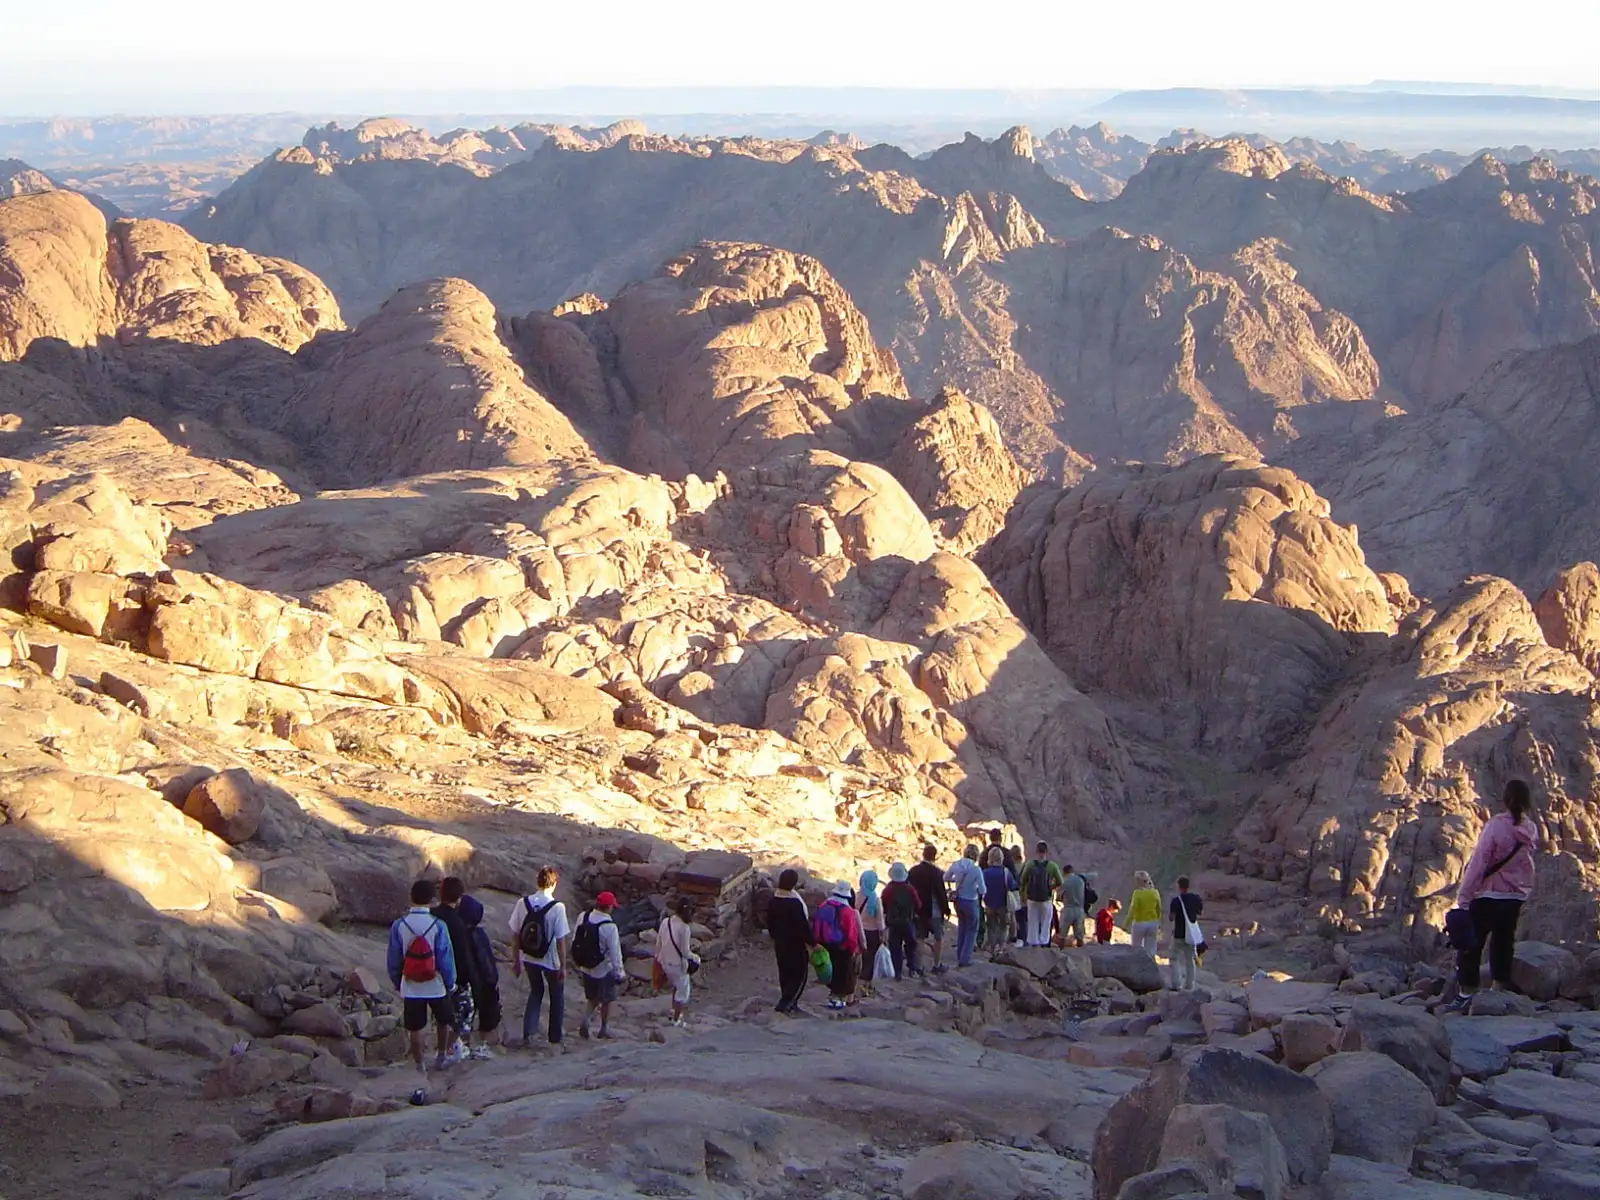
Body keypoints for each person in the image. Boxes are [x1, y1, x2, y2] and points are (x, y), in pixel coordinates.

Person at [1449, 780, 1539, 1011]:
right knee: (1504, 941)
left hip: (1488, 894)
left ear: (1505, 799)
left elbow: (1479, 862)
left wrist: (1464, 897)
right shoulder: (1530, 828)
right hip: (1514, 896)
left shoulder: (1496, 826)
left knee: (1472, 944)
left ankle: (1467, 992)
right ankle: (1500, 986)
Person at [387, 879, 458, 1083]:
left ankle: (420, 1066)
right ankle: (441, 1056)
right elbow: (445, 958)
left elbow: (394, 957)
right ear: (432, 899)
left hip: (410, 983)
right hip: (435, 983)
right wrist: (450, 982)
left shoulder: (399, 925)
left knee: (415, 1028)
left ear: (411, 897)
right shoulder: (438, 925)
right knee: (443, 1021)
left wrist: (397, 980)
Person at [508, 865, 570, 1046]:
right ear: (554, 884)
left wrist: (516, 960)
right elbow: (560, 940)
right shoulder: (558, 908)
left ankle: (529, 1033)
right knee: (556, 995)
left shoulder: (523, 903)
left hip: (529, 956)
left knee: (536, 991)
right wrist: (563, 966)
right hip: (550, 958)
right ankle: (555, 1037)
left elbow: (515, 934)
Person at [430, 876, 479, 1063]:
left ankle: (444, 1049)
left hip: (429, 973)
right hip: (454, 976)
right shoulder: (457, 922)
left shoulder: (432, 915)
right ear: (459, 898)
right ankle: (448, 1049)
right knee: (464, 1014)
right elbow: (461, 954)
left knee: (441, 1016)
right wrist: (468, 977)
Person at [456, 890, 503, 1059]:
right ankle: (481, 1045)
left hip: (465, 980)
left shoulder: (458, 933)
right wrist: (492, 979)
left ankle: (463, 1046)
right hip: (482, 981)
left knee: (464, 1016)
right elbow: (486, 960)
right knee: (486, 1014)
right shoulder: (479, 934)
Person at [573, 890, 625, 1039]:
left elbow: (576, 939)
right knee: (606, 999)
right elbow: (615, 952)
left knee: (592, 997)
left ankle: (586, 1020)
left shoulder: (583, 917)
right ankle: (603, 1028)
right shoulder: (610, 926)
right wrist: (620, 972)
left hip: (586, 966)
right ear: (608, 907)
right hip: (603, 968)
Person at [767, 868, 814, 1014]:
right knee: (799, 974)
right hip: (796, 944)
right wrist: (813, 943)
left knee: (785, 972)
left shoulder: (773, 901)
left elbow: (769, 923)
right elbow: (802, 926)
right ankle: (787, 1003)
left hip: (780, 943)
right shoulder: (795, 903)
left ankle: (787, 1000)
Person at [813, 881, 865, 1009]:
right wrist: (852, 948)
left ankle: (831, 996)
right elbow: (851, 933)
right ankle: (838, 999)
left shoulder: (825, 905)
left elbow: (817, 923)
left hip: (826, 943)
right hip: (842, 946)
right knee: (842, 973)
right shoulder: (847, 910)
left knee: (832, 970)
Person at [654, 898, 698, 1026]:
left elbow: (659, 942)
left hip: (665, 962)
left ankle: (673, 1011)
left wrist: (658, 958)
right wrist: (696, 958)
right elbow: (685, 952)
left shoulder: (665, 922)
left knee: (675, 986)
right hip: (678, 965)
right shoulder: (684, 928)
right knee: (682, 991)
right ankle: (676, 1020)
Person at [907, 844, 950, 975]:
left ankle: (919, 967)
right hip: (934, 910)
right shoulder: (937, 872)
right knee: (938, 937)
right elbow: (941, 893)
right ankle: (936, 964)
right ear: (935, 856)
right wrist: (946, 909)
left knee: (920, 938)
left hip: (919, 910)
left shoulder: (913, 871)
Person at [944, 844, 987, 967]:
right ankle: (965, 958)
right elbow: (983, 890)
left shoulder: (956, 864)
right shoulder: (976, 869)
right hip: (971, 900)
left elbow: (946, 877)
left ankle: (960, 955)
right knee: (972, 929)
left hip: (958, 900)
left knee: (962, 927)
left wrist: (956, 880)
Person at [880, 862, 922, 979]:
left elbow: (883, 905)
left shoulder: (888, 889)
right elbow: (918, 904)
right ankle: (912, 968)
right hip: (908, 921)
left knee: (895, 947)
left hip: (893, 922)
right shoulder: (910, 889)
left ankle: (897, 972)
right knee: (911, 945)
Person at [1017, 843, 1063, 948]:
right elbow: (1060, 881)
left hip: (1032, 899)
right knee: (1046, 922)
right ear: (1046, 852)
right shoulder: (1052, 866)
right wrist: (1051, 887)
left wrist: (1023, 896)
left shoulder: (1030, 864)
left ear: (1036, 851)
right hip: (1046, 898)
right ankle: (1044, 943)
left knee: (1033, 921)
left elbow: (1022, 880)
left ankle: (1034, 943)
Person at [1169, 876, 1204, 991]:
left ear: (1179, 886)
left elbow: (1171, 917)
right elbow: (1200, 912)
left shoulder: (1176, 900)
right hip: (1191, 935)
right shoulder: (1196, 899)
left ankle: (1176, 984)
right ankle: (1189, 985)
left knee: (1174, 958)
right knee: (1190, 959)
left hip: (1179, 933)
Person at [980, 847, 1017, 955]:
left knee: (991, 926)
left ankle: (991, 947)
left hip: (989, 903)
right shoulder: (1006, 872)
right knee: (1003, 927)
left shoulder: (984, 873)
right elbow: (1013, 886)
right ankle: (1001, 947)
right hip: (1003, 904)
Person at [855, 869, 885, 997]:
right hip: (872, 933)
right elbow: (879, 920)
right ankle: (867, 985)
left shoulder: (856, 896)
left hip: (857, 931)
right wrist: (883, 935)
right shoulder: (875, 899)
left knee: (859, 957)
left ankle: (856, 982)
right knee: (870, 959)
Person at [1124, 871, 1163, 956]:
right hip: (1153, 923)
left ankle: (1137, 963)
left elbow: (1133, 909)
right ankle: (1150, 963)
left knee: (1136, 948)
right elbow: (1159, 908)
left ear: (1139, 881)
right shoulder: (1155, 892)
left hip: (1139, 923)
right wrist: (1158, 921)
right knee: (1151, 949)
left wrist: (1126, 924)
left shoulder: (1137, 893)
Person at [1059, 862, 1087, 948]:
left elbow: (1060, 896)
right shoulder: (1080, 880)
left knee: (1062, 935)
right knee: (1079, 936)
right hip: (1079, 909)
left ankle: (1060, 952)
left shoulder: (1065, 881)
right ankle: (1081, 953)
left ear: (1064, 872)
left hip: (1068, 909)